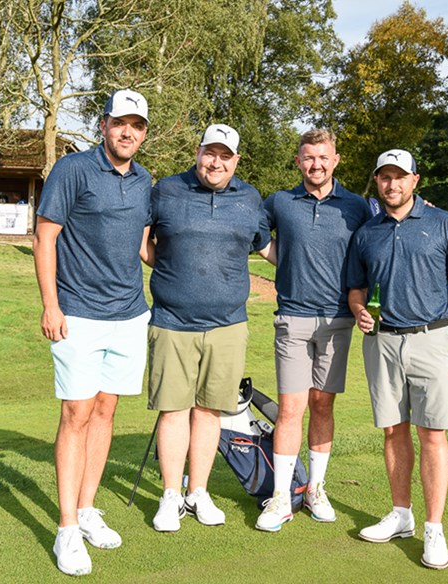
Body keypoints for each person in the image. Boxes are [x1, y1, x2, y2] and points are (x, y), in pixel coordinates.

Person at [33, 89, 152, 576]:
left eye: (137, 125)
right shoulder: (73, 169)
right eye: (120, 122)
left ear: (144, 132)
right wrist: (50, 305)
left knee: (105, 410)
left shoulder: (145, 180)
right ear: (103, 125)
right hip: (78, 313)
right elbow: (45, 237)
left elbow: (145, 248)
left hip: (129, 314)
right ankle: (65, 529)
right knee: (76, 414)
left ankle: (86, 509)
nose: (128, 131)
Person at [346, 149, 448, 570]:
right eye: (385, 177)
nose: (392, 184)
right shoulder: (367, 232)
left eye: (400, 177)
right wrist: (359, 310)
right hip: (381, 341)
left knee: (433, 435)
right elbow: (356, 288)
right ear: (378, 182)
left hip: (430, 339)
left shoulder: (443, 223)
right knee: (392, 432)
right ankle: (401, 514)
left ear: (415, 180)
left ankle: (433, 528)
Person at [147, 123, 273, 532]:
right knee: (173, 410)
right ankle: (170, 496)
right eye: (209, 153)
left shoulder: (250, 198)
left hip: (228, 326)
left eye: (225, 155)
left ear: (236, 160)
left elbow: (267, 247)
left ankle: (197, 492)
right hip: (172, 321)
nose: (216, 162)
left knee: (208, 411)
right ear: (198, 152)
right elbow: (143, 241)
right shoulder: (167, 189)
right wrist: (170, 272)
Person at [255, 129, 371, 532]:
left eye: (323, 157)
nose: (315, 164)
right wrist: (281, 262)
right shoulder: (281, 202)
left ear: (335, 160)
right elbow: (255, 234)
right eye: (308, 157)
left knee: (323, 405)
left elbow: (375, 247)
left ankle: (315, 490)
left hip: (339, 320)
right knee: (291, 409)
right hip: (293, 318)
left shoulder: (357, 207)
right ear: (298, 161)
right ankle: (282, 497)